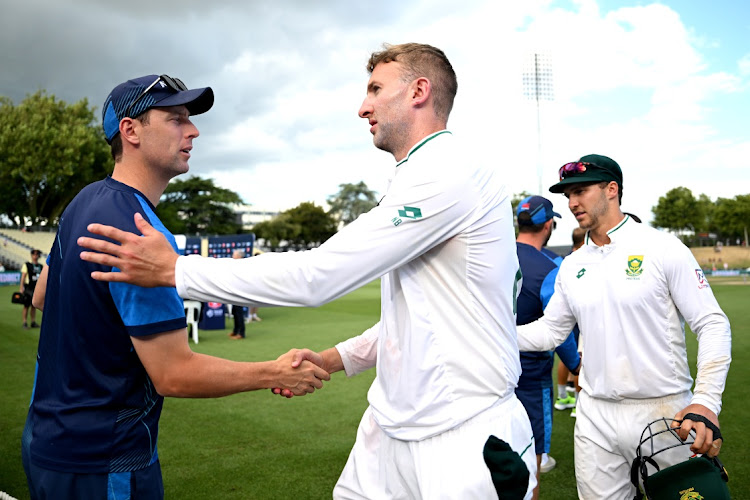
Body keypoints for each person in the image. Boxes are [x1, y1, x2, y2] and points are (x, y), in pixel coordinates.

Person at [78, 43, 538, 498]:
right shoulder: (422, 175)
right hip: (391, 426)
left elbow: (319, 276)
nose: (363, 107)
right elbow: (423, 315)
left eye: (376, 89)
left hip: (462, 433)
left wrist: (177, 270)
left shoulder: (448, 172)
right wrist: (336, 359)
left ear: (419, 90)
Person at [22, 74, 329, 500]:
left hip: (45, 442)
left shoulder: (84, 201)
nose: (194, 130)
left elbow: (41, 298)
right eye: (176, 118)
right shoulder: (139, 232)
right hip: (106, 461)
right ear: (130, 131)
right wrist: (273, 372)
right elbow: (173, 374)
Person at [516, 154, 731, 499]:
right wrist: (491, 335)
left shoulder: (661, 247)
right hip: (594, 415)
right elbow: (550, 333)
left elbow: (712, 324)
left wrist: (706, 400)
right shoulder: (572, 265)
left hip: (664, 413)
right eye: (567, 196)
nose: (572, 203)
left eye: (581, 191)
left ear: (611, 189)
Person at [514, 196, 581, 496]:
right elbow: (559, 330)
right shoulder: (552, 266)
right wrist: (577, 366)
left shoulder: (488, 254)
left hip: (481, 369)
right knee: (530, 469)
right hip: (529, 376)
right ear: (549, 224)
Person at [554, 226, 586, 417]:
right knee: (580, 357)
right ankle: (577, 405)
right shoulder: (578, 261)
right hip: (576, 316)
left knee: (567, 353)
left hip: (565, 316)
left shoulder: (563, 259)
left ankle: (563, 397)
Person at [20, 249, 44, 329]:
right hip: (28, 288)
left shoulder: (40, 266)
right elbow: (23, 276)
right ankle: (24, 322)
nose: (36, 256)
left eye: (37, 254)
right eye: (34, 254)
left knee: (34, 305)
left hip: (36, 287)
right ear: (32, 255)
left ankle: (33, 322)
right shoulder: (27, 264)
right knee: (26, 305)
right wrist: (21, 288)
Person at [229, 249, 247, 339]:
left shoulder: (243, 266)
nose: (232, 256)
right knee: (235, 312)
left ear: (239, 256)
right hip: (234, 292)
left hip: (240, 292)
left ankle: (241, 333)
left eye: (234, 255)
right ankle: (235, 330)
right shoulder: (234, 266)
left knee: (239, 313)